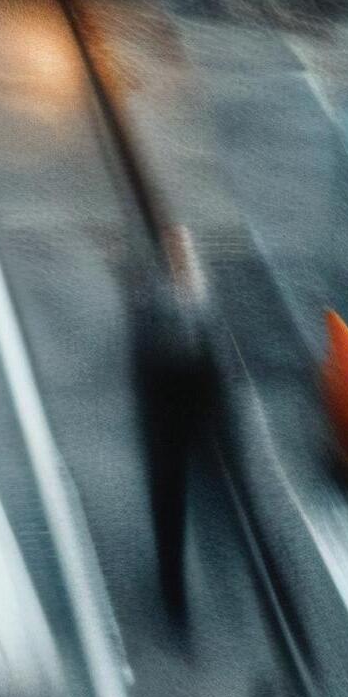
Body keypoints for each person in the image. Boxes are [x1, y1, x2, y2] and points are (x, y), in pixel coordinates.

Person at [129, 258, 220, 629]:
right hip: (173, 418)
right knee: (174, 503)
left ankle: (175, 587)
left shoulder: (165, 302)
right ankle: (174, 590)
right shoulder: (163, 302)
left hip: (174, 418)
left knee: (172, 503)